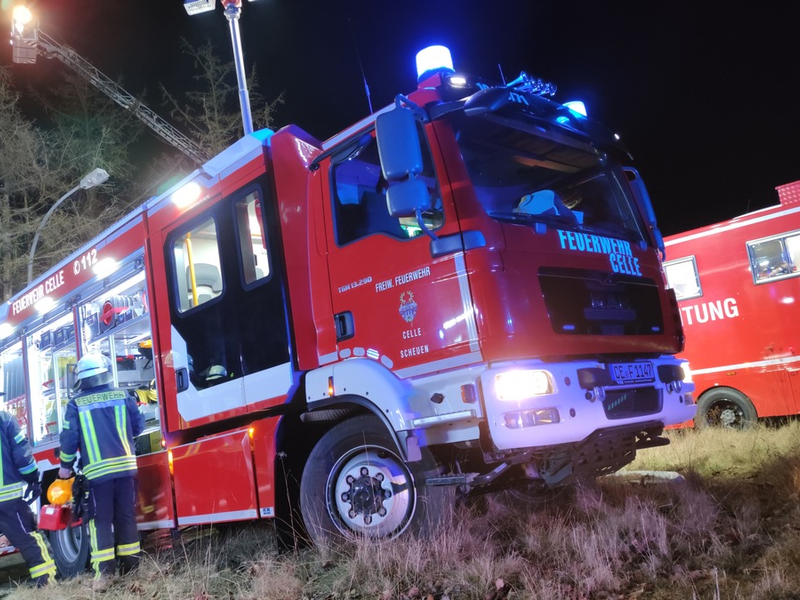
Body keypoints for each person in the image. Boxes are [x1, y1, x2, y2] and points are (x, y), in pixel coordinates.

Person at [58, 353, 144, 583]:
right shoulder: (123, 395)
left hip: (98, 475)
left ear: (83, 380)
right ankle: (132, 570)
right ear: (104, 374)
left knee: (101, 522)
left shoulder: (76, 404)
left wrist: (65, 466)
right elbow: (138, 426)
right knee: (126, 517)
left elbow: (69, 439)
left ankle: (105, 576)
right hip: (126, 469)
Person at [0, 398, 57, 586]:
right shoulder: (5, 420)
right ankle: (47, 584)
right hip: (7, 498)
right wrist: (33, 480)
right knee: (29, 538)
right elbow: (22, 455)